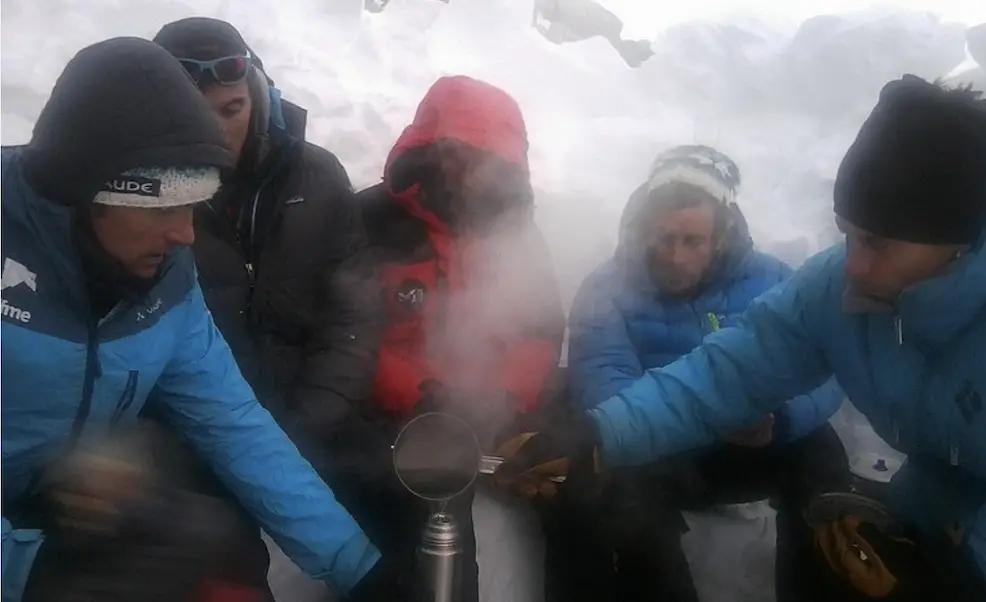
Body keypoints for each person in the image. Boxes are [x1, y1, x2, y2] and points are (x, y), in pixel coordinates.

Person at [496, 75, 986, 601]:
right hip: (938, 506)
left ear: (959, 243)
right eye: (848, 233)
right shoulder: (834, 287)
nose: (854, 266)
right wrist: (598, 433)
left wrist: (972, 576)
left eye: (878, 244)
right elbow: (729, 371)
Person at [0, 37, 393, 601]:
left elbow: (233, 422)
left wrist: (360, 568)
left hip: (64, 510)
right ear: (85, 194)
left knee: (213, 544)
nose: (185, 234)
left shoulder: (165, 279)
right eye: (162, 207)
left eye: (194, 206)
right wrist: (24, 567)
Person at [150, 18, 384, 597]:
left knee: (403, 500)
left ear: (256, 96)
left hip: (310, 410)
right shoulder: (141, 200)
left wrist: (314, 415)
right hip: (195, 434)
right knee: (226, 558)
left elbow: (354, 314)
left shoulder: (317, 178)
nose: (218, 131)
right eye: (197, 115)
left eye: (232, 109)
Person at [555, 144, 847, 602]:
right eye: (664, 238)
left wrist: (780, 419)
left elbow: (826, 369)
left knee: (821, 454)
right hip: (665, 451)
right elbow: (602, 381)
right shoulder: (605, 290)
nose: (675, 256)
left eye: (692, 242)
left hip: (756, 440)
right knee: (621, 484)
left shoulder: (774, 282)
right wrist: (682, 424)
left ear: (721, 238)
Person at [349, 75, 566, 601]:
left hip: (493, 407)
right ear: (428, 147)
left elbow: (541, 328)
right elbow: (348, 333)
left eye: (482, 157)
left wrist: (507, 397)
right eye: (453, 151)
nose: (464, 169)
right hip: (398, 413)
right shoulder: (371, 220)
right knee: (432, 495)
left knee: (580, 480)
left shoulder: (517, 233)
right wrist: (425, 392)